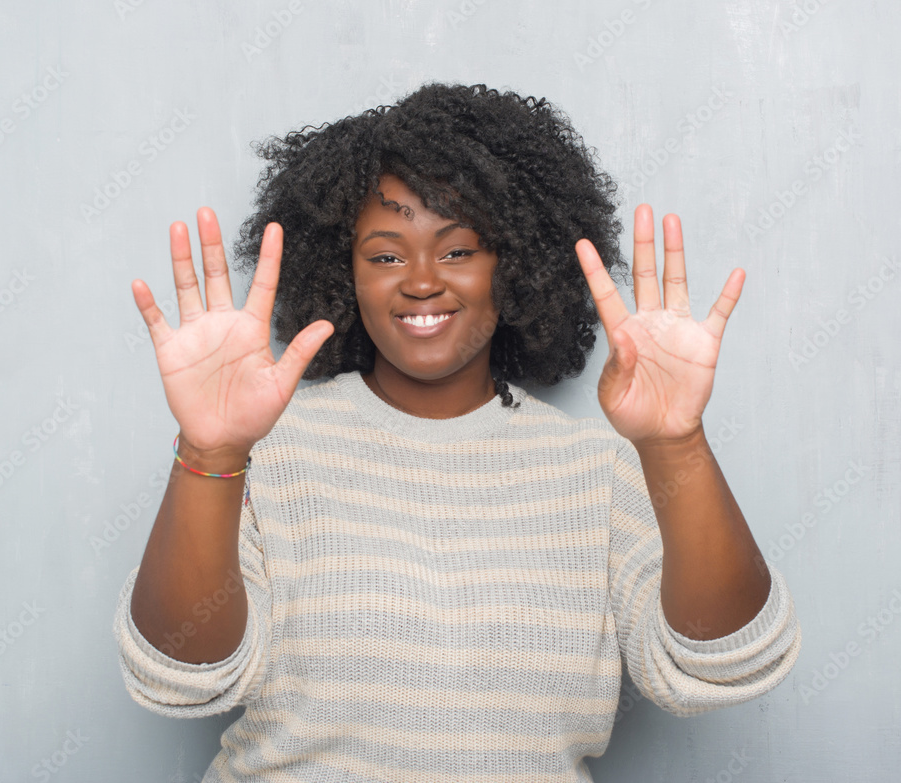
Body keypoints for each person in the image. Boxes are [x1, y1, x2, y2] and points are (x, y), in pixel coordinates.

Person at [113, 82, 801, 782]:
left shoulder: (598, 468)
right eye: (385, 255)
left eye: (458, 250)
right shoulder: (269, 450)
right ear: (343, 272)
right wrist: (211, 451)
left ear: (516, 265)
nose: (419, 281)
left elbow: (725, 659)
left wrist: (676, 443)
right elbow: (181, 671)